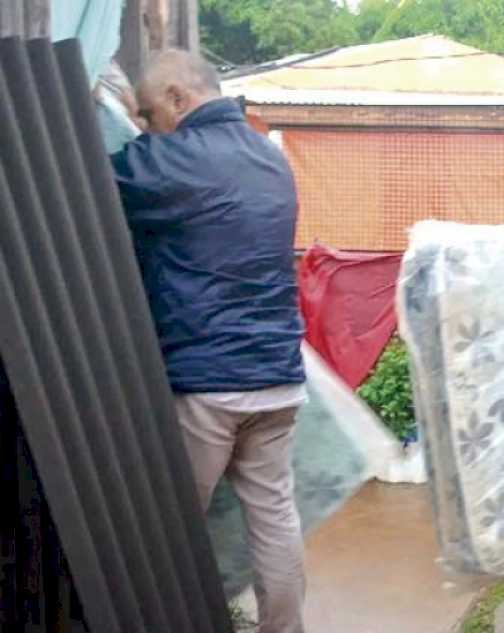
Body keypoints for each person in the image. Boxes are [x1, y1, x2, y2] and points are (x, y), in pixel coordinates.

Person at [110, 50, 307, 633]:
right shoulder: (267, 157)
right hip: (278, 380)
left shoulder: (177, 159)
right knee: (275, 520)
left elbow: (87, 179)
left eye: (147, 114)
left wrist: (109, 115)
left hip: (208, 387)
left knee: (167, 532)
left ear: (176, 98)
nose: (146, 126)